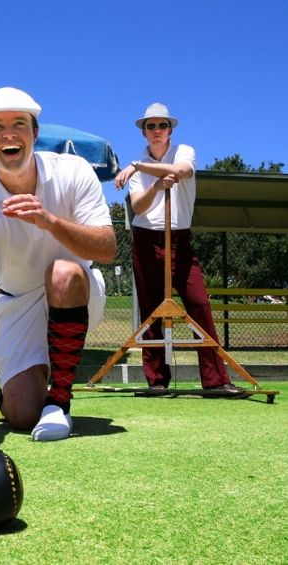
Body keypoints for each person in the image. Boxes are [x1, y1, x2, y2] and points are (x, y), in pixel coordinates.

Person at [0, 87, 116, 441]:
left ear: (34, 133)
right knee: (23, 415)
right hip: (18, 302)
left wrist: (50, 222)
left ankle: (59, 400)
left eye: (19, 124)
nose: (8, 134)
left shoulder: (74, 171)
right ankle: (16, 395)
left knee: (62, 271)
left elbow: (106, 248)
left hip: (76, 287)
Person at [114, 103, 242, 392]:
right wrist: (157, 186)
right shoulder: (138, 167)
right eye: (151, 126)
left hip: (180, 238)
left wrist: (138, 166)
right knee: (151, 311)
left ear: (170, 129)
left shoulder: (183, 150)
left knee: (199, 304)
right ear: (144, 132)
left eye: (162, 125)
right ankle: (157, 381)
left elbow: (181, 171)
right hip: (147, 239)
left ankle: (216, 380)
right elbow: (138, 206)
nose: (157, 131)